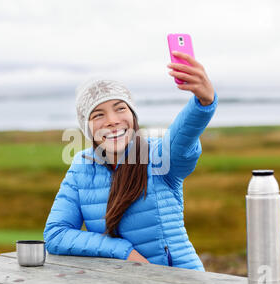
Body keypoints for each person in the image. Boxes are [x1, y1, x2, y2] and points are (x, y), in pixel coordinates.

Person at [43, 51, 217, 270]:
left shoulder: (157, 155)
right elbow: (56, 234)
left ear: (133, 115)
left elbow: (182, 138)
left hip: (180, 283)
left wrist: (203, 103)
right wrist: (123, 251)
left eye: (120, 109)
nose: (113, 121)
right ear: (87, 128)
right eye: (98, 115)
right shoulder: (82, 166)